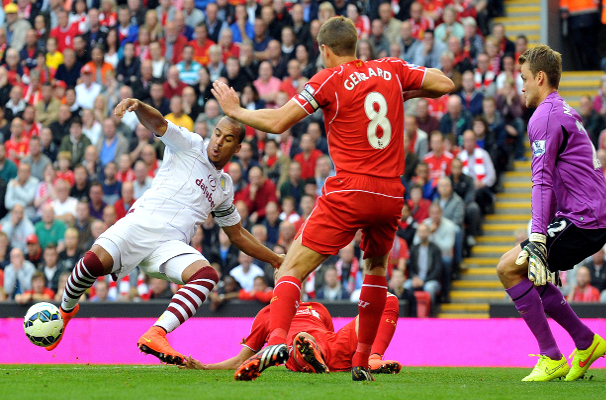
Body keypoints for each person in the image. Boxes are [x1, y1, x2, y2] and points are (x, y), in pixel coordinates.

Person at [211, 15, 453, 381]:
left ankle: (277, 339)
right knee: (375, 270)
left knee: (291, 267)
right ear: (355, 45)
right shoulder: (390, 69)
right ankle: (360, 360)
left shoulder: (327, 79)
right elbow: (444, 83)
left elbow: (278, 121)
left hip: (351, 189)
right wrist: (401, 90)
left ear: (324, 50)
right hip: (391, 192)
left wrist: (236, 111)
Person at [47, 97, 285, 366]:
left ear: (238, 147)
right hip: (140, 225)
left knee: (206, 277)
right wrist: (138, 106)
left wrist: (275, 259)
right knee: (91, 263)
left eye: (227, 139)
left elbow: (237, 233)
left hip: (171, 245)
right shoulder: (190, 144)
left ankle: (156, 333)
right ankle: (66, 311)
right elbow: (158, 123)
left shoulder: (224, 187)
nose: (218, 142)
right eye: (217, 133)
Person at [496, 45, 606, 382]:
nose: (521, 86)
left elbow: (543, 181)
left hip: (584, 218)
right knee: (531, 274)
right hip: (590, 215)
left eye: (523, 79)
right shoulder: (562, 110)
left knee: (508, 269)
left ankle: (551, 357)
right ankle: (585, 342)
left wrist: (537, 236)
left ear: (540, 77)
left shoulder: (544, 117)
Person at [180, 292, 401, 375]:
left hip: (331, 343)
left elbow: (332, 335)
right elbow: (241, 359)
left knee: (387, 298)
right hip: (296, 351)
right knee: (301, 340)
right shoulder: (266, 314)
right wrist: (206, 367)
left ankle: (372, 359)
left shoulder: (318, 308)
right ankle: (308, 353)